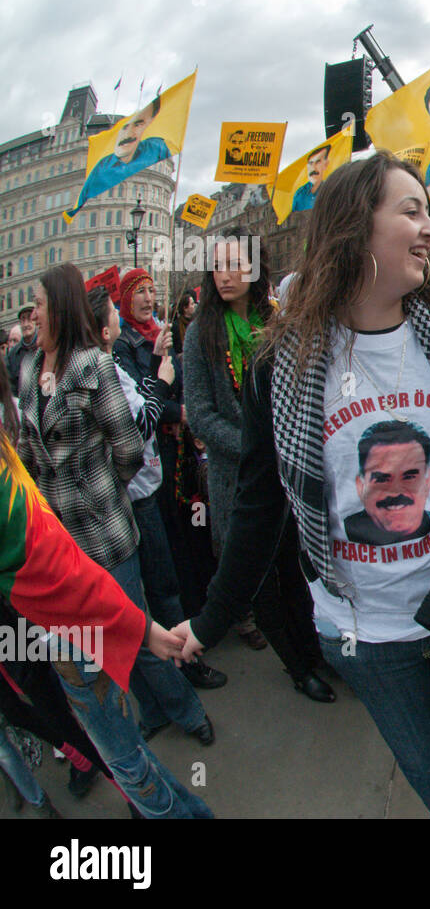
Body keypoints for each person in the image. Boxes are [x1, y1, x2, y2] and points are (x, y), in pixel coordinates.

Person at [175, 151, 430, 818]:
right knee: (428, 770)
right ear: (354, 225)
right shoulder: (282, 363)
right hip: (363, 632)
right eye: (412, 211)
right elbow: (260, 504)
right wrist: (210, 617)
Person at [18, 263, 214, 748]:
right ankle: (152, 712)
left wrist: (98, 488)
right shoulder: (26, 370)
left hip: (108, 532)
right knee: (105, 643)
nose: (32, 317)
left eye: (39, 306)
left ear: (59, 309)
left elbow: (129, 449)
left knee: (134, 630)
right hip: (62, 545)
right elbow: (25, 453)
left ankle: (189, 712)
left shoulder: (95, 367)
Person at [183, 228, 333, 703]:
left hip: (293, 471)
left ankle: (318, 651)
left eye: (234, 265)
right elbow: (201, 414)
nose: (224, 275)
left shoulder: (277, 320)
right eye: (217, 266)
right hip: (239, 479)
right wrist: (256, 444)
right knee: (262, 579)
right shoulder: (200, 332)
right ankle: (298, 668)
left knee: (298, 570)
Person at [89, 285, 228, 691]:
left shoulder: (126, 352)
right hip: (137, 496)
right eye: (116, 309)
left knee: (172, 569)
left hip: (150, 484)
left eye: (154, 290)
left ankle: (176, 667)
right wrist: (163, 384)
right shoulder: (106, 366)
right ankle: (181, 670)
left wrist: (157, 364)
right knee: (159, 590)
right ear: (103, 329)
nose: (146, 300)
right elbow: (136, 432)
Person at [73, 98, 171, 214]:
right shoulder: (103, 165)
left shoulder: (152, 151)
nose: (130, 133)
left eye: (139, 126)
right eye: (125, 128)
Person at [291, 145, 331, 213]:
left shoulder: (331, 191)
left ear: (325, 164)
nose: (313, 168)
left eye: (318, 162)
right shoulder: (300, 194)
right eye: (310, 163)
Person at [7, 303, 38, 393]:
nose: (25, 324)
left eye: (29, 318)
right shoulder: (13, 355)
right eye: (22, 319)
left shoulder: (45, 347)